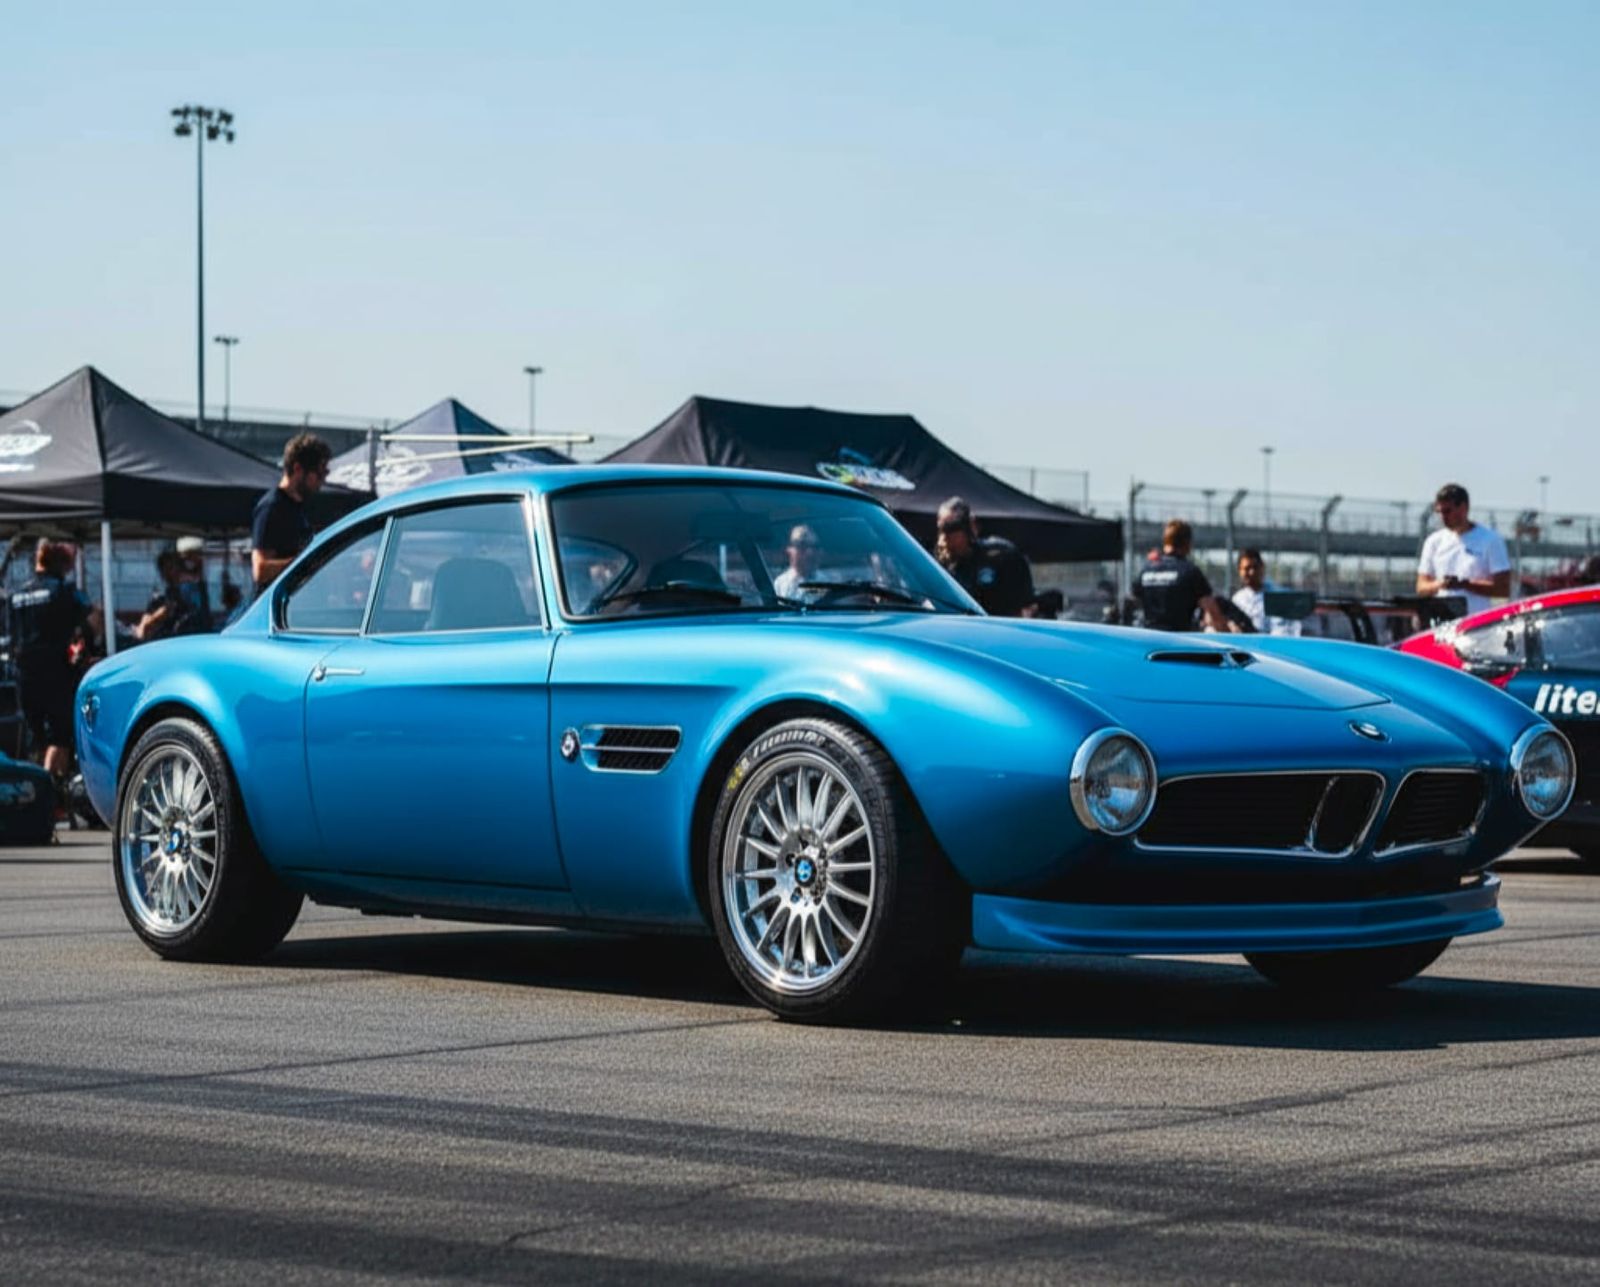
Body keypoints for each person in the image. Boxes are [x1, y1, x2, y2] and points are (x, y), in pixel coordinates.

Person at [9, 540, 101, 793]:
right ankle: (47, 790)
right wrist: (87, 643)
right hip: (56, 673)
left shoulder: (17, 594)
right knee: (60, 736)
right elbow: (95, 618)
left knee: (35, 737)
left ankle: (32, 791)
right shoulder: (63, 590)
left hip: (24, 676)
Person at [251, 432, 332, 595]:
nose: (322, 481)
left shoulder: (298, 507)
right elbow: (260, 569)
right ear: (297, 469)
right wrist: (306, 561)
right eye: (320, 473)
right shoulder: (272, 507)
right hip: (275, 610)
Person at [1416, 483, 1511, 617]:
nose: (1443, 517)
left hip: (1478, 626)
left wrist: (1465, 585)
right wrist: (1441, 584)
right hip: (1442, 625)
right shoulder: (1433, 542)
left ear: (1463, 508)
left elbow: (1503, 588)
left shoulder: (1491, 539)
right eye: (1440, 512)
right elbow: (1421, 587)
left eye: (1447, 511)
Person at [935, 497, 1036, 616]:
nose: (944, 539)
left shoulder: (1002, 555)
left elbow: (1027, 606)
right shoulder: (940, 564)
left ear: (970, 527)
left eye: (951, 529)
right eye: (941, 530)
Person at [1136, 519, 1235, 632]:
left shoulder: (1145, 571)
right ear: (1187, 543)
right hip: (1178, 643)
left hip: (1150, 642)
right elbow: (1212, 611)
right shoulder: (1190, 572)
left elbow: (1134, 604)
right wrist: (1231, 639)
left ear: (1165, 542)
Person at [137, 538, 213, 641]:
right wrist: (160, 615)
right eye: (166, 569)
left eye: (173, 567)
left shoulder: (195, 589)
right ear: (161, 573)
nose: (171, 573)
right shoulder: (159, 598)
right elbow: (142, 632)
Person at [1231, 548, 1302, 636]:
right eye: (1247, 568)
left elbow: (1283, 630)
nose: (1252, 572)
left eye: (1255, 567)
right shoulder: (1237, 599)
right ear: (1239, 571)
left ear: (1262, 567)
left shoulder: (1279, 596)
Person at [772, 524, 826, 599]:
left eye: (815, 547)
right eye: (802, 545)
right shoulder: (779, 584)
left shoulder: (828, 583)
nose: (810, 553)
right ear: (789, 550)